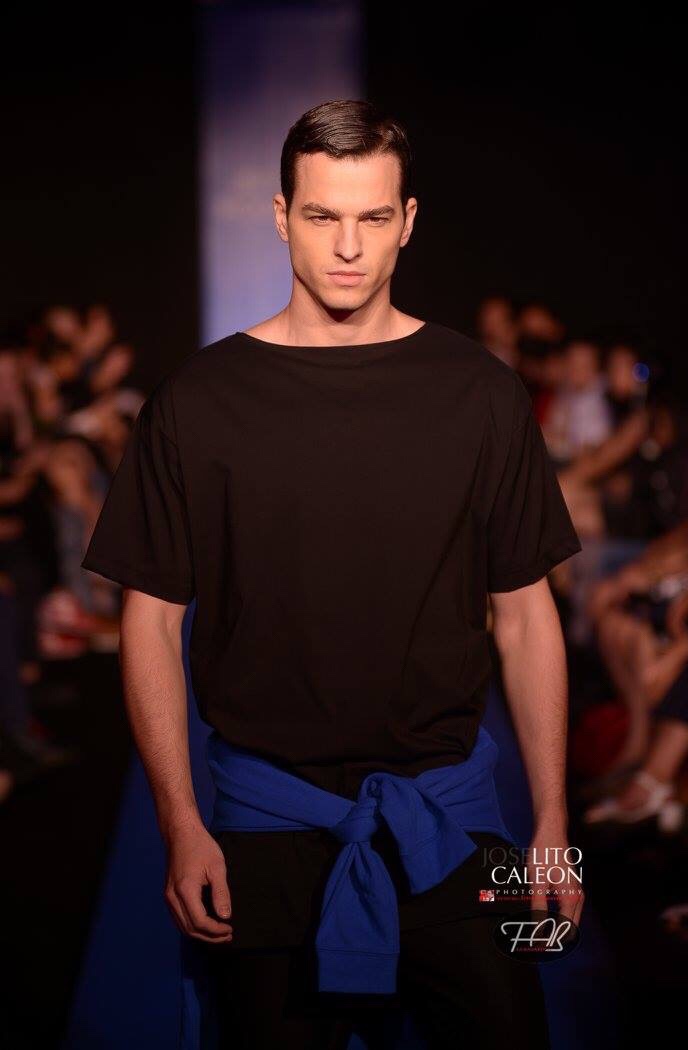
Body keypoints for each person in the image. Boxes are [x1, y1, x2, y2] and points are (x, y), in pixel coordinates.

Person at [81, 99, 584, 1049]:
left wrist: (554, 825)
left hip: (460, 817)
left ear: (408, 220)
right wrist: (181, 826)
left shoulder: (483, 392)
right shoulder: (197, 400)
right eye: (322, 216)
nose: (348, 246)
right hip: (261, 826)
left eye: (372, 217)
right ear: (282, 217)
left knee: (522, 1031)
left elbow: (526, 613)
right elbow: (149, 621)